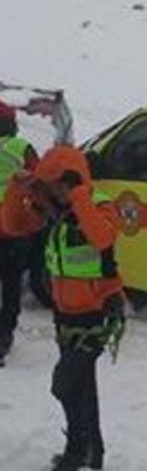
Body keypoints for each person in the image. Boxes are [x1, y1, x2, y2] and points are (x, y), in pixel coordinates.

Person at [2, 145, 126, 471]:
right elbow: (13, 226)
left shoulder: (99, 207)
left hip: (97, 312)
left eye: (58, 183)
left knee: (66, 384)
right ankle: (90, 452)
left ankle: (77, 452)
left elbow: (100, 239)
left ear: (72, 181)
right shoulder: (52, 211)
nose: (53, 190)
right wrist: (18, 189)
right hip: (66, 314)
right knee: (83, 387)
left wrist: (79, 196)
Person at [0, 99, 38, 362]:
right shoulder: (22, 148)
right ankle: (4, 336)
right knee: (11, 286)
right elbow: (40, 181)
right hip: (13, 229)